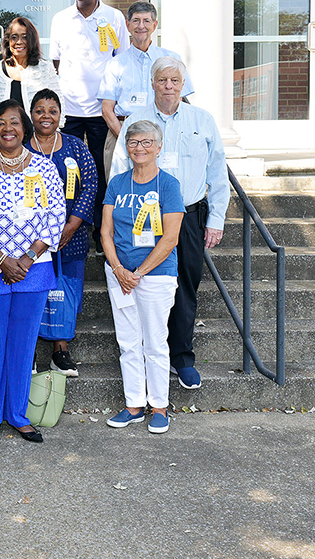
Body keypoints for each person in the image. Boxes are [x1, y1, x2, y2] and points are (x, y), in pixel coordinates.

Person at [112, 56, 230, 390]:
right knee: (144, 282)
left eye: (174, 81)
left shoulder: (201, 120)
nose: (168, 86)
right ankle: (147, 355)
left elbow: (217, 172)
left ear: (183, 85)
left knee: (185, 285)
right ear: (152, 83)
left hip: (189, 216)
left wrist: (216, 219)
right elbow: (120, 168)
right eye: (162, 80)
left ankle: (181, 358)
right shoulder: (137, 120)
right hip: (144, 214)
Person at [0, 100, 66, 445]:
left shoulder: (45, 169)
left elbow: (55, 215)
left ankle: (18, 415)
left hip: (33, 269)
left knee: (22, 348)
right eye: (2, 123)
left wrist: (28, 258)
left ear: (26, 128)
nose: (9, 128)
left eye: (16, 122)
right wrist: (2, 259)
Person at [101, 119, 185, 435]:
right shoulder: (118, 183)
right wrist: (119, 270)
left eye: (147, 142)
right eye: (134, 142)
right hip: (119, 275)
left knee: (154, 341)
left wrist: (138, 272)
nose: (140, 148)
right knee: (128, 341)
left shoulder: (168, 185)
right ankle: (134, 404)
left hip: (156, 276)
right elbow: (106, 231)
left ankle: (160, 406)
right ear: (127, 147)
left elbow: (170, 238)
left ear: (159, 147)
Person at [50, 0, 129, 248]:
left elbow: (122, 59)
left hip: (101, 111)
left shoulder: (114, 17)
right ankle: (65, 224)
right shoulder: (61, 19)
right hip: (69, 110)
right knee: (67, 170)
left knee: (100, 171)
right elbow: (56, 62)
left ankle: (100, 228)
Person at [27, 89, 97, 377]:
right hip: (28, 239)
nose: (46, 116)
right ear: (31, 114)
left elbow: (90, 185)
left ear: (61, 116)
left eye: (52, 111)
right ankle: (28, 349)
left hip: (72, 235)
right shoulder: (21, 148)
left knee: (67, 290)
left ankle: (61, 350)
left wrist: (72, 225)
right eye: (40, 110)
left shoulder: (76, 146)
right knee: (30, 292)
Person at [98, 1, 194, 182]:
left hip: (162, 138)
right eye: (135, 21)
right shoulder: (115, 64)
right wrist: (130, 140)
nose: (141, 26)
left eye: (146, 21)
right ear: (127, 25)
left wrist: (155, 142)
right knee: (121, 192)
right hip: (121, 136)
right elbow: (106, 109)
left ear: (155, 25)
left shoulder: (171, 59)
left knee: (164, 190)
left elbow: (177, 103)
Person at [0, 17, 60, 152]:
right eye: (14, 37)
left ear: (32, 40)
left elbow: (57, 104)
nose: (19, 42)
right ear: (8, 41)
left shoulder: (46, 69)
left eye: (24, 37)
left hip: (36, 145)